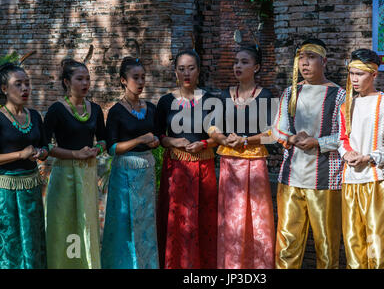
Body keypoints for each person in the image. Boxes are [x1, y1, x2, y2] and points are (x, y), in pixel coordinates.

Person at [271, 39, 346, 269]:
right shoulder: (291, 91)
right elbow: (277, 128)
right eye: (301, 58)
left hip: (324, 177)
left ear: (324, 61)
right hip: (291, 176)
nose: (305, 63)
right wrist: (291, 138)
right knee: (287, 241)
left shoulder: (339, 95)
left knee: (326, 242)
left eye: (311, 57)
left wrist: (317, 142)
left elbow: (344, 136)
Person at [209, 45, 275, 269]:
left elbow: (273, 134)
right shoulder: (224, 94)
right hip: (228, 162)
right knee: (231, 221)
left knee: (257, 220)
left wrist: (246, 140)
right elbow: (211, 126)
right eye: (236, 61)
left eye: (244, 62)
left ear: (256, 67)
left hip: (254, 163)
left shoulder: (265, 95)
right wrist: (221, 138)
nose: (238, 66)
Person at [156, 49, 218, 269]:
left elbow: (218, 137)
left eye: (191, 68)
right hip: (176, 169)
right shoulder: (165, 102)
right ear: (175, 72)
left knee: (204, 221)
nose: (186, 73)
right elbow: (158, 137)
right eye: (181, 69)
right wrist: (174, 142)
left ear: (198, 71)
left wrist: (203, 143)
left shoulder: (211, 100)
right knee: (176, 222)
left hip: (204, 167)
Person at [338, 49, 384, 269]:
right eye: (352, 73)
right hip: (350, 179)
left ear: (374, 75)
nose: (354, 79)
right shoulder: (346, 104)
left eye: (360, 74)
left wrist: (369, 157)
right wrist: (346, 153)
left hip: (378, 177)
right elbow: (341, 138)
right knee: (352, 240)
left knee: (378, 239)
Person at [44, 58, 106, 269]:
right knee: (64, 223)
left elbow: (104, 139)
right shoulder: (56, 110)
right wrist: (74, 154)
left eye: (87, 79)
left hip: (88, 173)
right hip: (64, 174)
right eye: (79, 79)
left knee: (86, 222)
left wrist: (96, 150)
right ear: (67, 82)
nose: (85, 83)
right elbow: (44, 148)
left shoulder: (95, 109)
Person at [101, 57, 160, 269]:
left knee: (145, 221)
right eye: (136, 77)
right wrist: (139, 140)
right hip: (124, 172)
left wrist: (154, 141)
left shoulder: (152, 108)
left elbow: (159, 136)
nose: (141, 82)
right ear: (123, 80)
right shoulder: (116, 111)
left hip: (146, 171)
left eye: (143, 77)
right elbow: (112, 148)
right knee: (123, 221)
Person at [0, 63, 48, 269]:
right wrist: (21, 154)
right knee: (10, 244)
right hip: (5, 192)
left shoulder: (35, 116)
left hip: (32, 190)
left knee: (33, 240)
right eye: (18, 84)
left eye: (27, 84)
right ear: (4, 89)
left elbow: (45, 145)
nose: (25, 88)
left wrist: (41, 153)